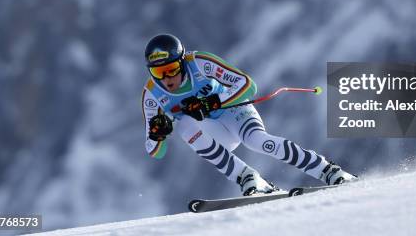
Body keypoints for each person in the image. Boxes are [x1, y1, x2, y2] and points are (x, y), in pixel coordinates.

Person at [141, 33, 356, 196]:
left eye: (171, 69)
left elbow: (247, 84)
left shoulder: (199, 62)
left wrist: (213, 101)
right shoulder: (152, 95)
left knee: (257, 141)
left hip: (234, 110)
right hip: (214, 132)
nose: (167, 78)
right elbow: (155, 152)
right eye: (158, 72)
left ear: (181, 62)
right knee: (184, 126)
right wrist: (157, 135)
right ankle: (247, 177)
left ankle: (327, 170)